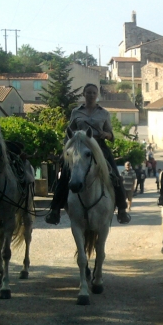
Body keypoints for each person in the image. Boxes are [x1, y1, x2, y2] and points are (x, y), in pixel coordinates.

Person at [45, 83, 131, 224]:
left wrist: (106, 134)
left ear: (97, 95)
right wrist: (66, 149)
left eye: (93, 93)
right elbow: (69, 132)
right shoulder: (76, 112)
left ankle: (122, 210)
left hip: (98, 146)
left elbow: (111, 135)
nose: (91, 95)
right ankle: (54, 211)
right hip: (79, 147)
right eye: (88, 92)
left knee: (115, 175)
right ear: (83, 94)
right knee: (65, 174)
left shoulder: (104, 113)